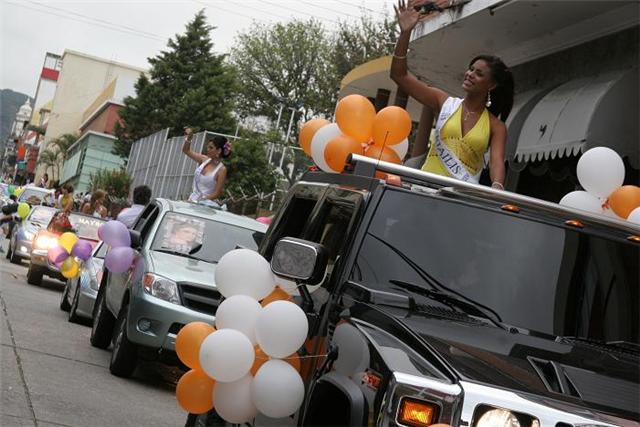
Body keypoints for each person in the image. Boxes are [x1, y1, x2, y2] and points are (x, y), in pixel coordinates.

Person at [391, 0, 514, 189]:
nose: (470, 74)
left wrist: (497, 186)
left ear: (491, 85)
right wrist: (405, 33)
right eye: (471, 69)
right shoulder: (443, 102)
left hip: (459, 199)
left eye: (478, 74)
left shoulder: (496, 126)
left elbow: (497, 162)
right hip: (423, 189)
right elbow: (399, 75)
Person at [181, 128, 230, 208]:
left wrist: (201, 201)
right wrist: (189, 139)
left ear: (219, 151)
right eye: (208, 147)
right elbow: (186, 150)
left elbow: (217, 193)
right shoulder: (204, 159)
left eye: (211, 148)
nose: (208, 150)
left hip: (205, 205)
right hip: (192, 200)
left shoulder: (222, 170)